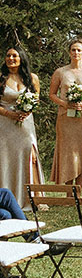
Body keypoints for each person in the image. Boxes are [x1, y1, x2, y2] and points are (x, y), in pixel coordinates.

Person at [49, 38, 82, 186]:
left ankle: (78, 189)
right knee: (67, 152)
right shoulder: (60, 72)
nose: (76, 52)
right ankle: (68, 190)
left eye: (79, 50)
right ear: (69, 52)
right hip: (65, 118)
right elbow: (52, 94)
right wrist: (65, 104)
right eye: (73, 50)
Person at [0, 46, 43, 205]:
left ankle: (33, 198)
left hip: (25, 125)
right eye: (8, 55)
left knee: (28, 155)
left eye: (14, 56)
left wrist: (28, 110)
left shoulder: (32, 78)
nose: (10, 59)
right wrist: (9, 114)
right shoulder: (1, 78)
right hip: (4, 124)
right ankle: (7, 197)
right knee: (5, 158)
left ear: (21, 58)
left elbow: (36, 99)